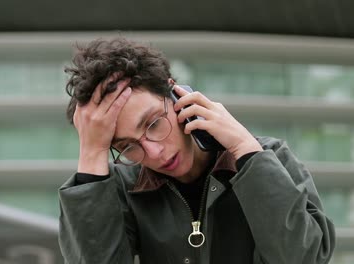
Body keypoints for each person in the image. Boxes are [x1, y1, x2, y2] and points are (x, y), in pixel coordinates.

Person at [58, 37, 335, 264]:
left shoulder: (270, 158)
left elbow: (304, 258)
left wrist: (245, 150)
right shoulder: (122, 188)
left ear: (176, 94)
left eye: (153, 123)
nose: (154, 153)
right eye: (128, 146)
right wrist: (92, 153)